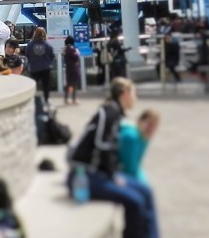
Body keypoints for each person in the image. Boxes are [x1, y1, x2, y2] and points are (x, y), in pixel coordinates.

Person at [68, 77, 159, 238]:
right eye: (134, 94)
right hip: (85, 176)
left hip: (99, 174)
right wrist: (112, 176)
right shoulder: (109, 112)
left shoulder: (115, 113)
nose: (136, 99)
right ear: (124, 94)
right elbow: (102, 145)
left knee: (146, 191)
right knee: (135, 202)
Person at [118, 109, 160, 185]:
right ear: (139, 121)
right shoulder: (131, 137)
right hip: (117, 173)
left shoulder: (143, 138)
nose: (151, 129)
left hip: (125, 174)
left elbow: (136, 167)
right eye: (149, 124)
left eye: (154, 126)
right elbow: (130, 168)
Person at [25, 27, 56, 103]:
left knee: (33, 85)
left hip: (34, 68)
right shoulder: (47, 45)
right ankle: (46, 100)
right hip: (46, 68)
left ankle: (32, 100)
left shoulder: (30, 45)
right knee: (46, 85)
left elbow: (27, 55)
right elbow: (52, 56)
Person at [62, 36, 81, 105]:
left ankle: (66, 98)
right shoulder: (72, 49)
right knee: (74, 84)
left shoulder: (65, 49)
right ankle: (73, 99)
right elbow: (76, 57)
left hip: (68, 68)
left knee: (68, 84)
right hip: (73, 68)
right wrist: (77, 52)